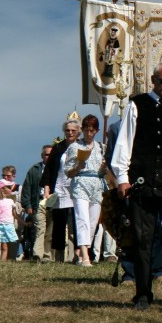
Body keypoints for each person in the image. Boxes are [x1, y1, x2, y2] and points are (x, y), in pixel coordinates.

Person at [111, 62, 162, 311]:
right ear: (153, 80)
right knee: (142, 239)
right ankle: (143, 294)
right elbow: (124, 142)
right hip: (142, 182)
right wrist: (122, 177)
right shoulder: (137, 105)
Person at [64, 114, 108, 266]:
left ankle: (81, 253)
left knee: (93, 221)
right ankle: (85, 256)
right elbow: (68, 172)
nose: (89, 134)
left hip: (97, 185)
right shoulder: (75, 147)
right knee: (82, 218)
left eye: (92, 130)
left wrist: (103, 168)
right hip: (80, 184)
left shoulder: (101, 147)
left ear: (96, 131)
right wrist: (77, 167)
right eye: (87, 130)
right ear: (82, 130)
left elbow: (102, 173)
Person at [45, 114, 81, 263]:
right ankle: (59, 256)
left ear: (78, 131)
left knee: (76, 224)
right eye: (67, 130)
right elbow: (49, 169)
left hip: (76, 189)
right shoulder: (58, 147)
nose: (70, 133)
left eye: (73, 130)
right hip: (59, 188)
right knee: (59, 225)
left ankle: (77, 255)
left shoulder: (81, 146)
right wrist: (47, 189)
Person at [22, 145, 50, 261]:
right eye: (47, 154)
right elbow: (27, 188)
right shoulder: (34, 170)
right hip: (38, 202)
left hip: (53, 202)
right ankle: (37, 254)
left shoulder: (58, 169)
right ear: (42, 155)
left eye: (50, 154)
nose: (49, 157)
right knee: (39, 228)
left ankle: (48, 256)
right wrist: (27, 205)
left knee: (50, 230)